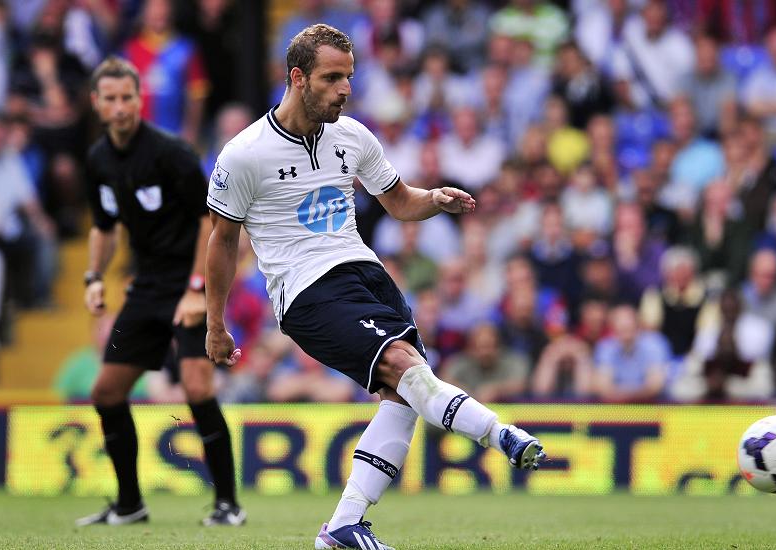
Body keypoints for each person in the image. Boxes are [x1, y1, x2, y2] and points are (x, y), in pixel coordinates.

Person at [204, 24, 546, 550]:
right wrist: (215, 323)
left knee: (403, 396)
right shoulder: (244, 154)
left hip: (368, 276)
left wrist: (435, 199)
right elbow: (223, 241)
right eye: (332, 78)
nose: (345, 89)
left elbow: (399, 200)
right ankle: (501, 434)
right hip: (307, 292)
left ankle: (344, 526)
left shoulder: (353, 136)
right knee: (407, 371)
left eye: (349, 77)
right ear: (297, 79)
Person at [76, 57, 242, 527]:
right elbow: (105, 227)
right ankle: (130, 505)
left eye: (128, 97)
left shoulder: (171, 151)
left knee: (195, 386)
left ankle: (228, 504)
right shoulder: (97, 160)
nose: (120, 106)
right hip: (147, 285)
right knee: (106, 392)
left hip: (188, 280)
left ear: (139, 99)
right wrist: (93, 278)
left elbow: (208, 221)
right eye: (110, 99)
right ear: (97, 104)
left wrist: (196, 288)